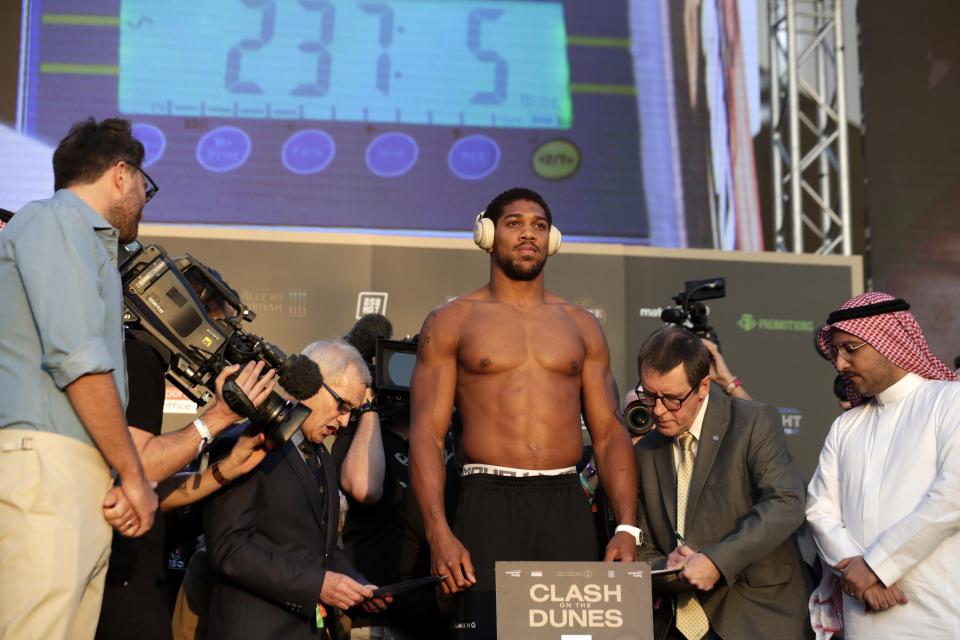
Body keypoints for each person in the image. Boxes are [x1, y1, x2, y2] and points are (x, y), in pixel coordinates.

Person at [409, 187, 639, 639]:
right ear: (488, 234)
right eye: (514, 223)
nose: (528, 234)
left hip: (565, 504)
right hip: (485, 502)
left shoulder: (581, 325)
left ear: (552, 240)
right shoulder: (452, 320)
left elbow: (610, 433)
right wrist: (439, 533)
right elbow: (427, 435)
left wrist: (627, 527)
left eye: (538, 225)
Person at [0, 117, 159, 638]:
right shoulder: (54, 223)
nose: (143, 197)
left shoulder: (89, 245)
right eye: (143, 184)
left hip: (77, 474)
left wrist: (115, 474)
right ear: (120, 173)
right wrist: (134, 476)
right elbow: (78, 361)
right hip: (46, 468)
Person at [203, 339, 388, 639]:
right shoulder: (244, 444)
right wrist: (317, 585)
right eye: (342, 406)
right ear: (312, 384)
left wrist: (357, 587)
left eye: (351, 413)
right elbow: (228, 549)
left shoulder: (321, 457)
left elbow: (325, 554)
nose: (343, 421)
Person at [633, 327, 808, 640]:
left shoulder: (752, 422)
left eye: (672, 399)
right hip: (674, 625)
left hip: (755, 615)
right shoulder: (646, 450)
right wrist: (666, 567)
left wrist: (717, 560)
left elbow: (786, 503)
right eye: (649, 395)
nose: (658, 410)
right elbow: (643, 545)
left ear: (703, 386)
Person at [806, 292, 960, 638]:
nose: (840, 364)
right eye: (837, 352)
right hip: (863, 615)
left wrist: (878, 565)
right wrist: (860, 577)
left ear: (888, 341)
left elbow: (952, 498)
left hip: (937, 616)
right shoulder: (846, 426)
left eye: (851, 349)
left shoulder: (950, 402)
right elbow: (819, 510)